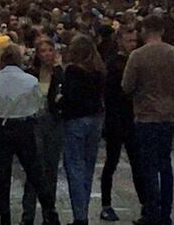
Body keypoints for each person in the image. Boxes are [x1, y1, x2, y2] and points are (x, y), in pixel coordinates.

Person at [0, 44, 60, 225]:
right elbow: (40, 105)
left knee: (3, 174)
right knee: (35, 171)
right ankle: (49, 210)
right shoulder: (30, 80)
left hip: (1, 128)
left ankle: (5, 217)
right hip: (24, 127)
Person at [122, 15, 174, 225]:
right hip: (168, 115)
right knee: (165, 164)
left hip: (145, 116)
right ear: (161, 31)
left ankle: (151, 211)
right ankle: (165, 213)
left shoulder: (137, 56)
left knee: (148, 167)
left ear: (144, 31)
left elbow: (126, 86)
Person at [100, 26, 147, 222]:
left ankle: (145, 204)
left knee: (138, 164)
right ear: (119, 41)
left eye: (135, 41)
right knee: (111, 162)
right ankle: (106, 204)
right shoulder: (113, 64)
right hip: (116, 119)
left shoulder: (134, 61)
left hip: (131, 119)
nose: (133, 45)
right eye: (129, 41)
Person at [59, 35, 106, 225]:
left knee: (74, 166)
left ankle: (80, 215)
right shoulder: (98, 72)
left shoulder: (72, 71)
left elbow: (69, 96)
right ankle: (83, 209)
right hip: (95, 119)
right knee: (87, 167)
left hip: (75, 120)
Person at [22, 38, 65, 225]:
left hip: (54, 122)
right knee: (33, 168)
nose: (47, 54)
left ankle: (50, 212)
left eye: (50, 50)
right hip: (33, 123)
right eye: (43, 51)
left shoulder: (59, 73)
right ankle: (28, 213)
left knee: (51, 169)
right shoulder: (31, 74)